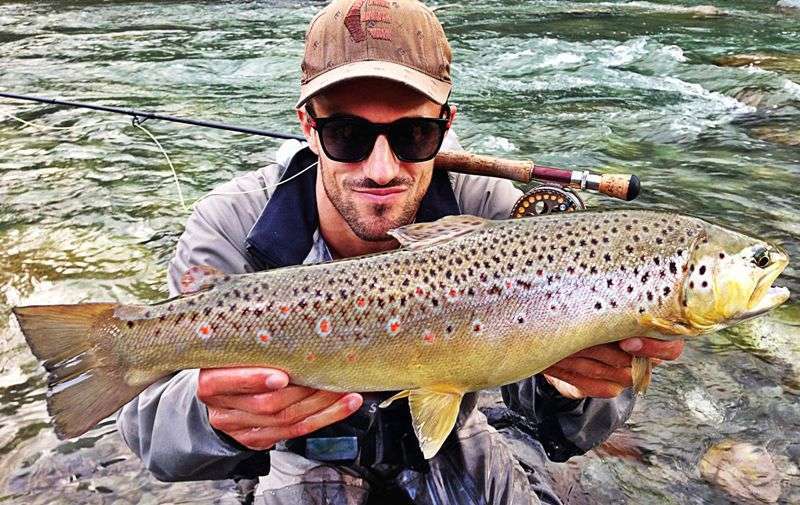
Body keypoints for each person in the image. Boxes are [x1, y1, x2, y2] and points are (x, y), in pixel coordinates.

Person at [117, 1, 684, 503]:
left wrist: (573, 384)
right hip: (298, 451)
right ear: (309, 128)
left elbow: (574, 431)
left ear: (446, 126)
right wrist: (216, 418)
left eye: (414, 135)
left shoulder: (495, 215)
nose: (381, 169)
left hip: (450, 432)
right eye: (347, 134)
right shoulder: (233, 222)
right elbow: (152, 439)